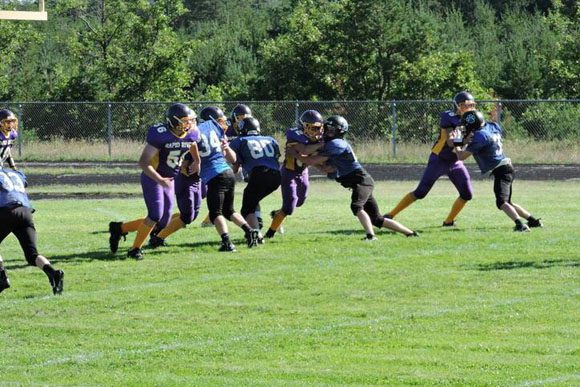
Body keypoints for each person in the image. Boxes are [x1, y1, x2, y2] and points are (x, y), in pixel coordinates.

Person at [292, 115, 419, 240]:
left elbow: (313, 159)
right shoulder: (331, 143)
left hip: (362, 181)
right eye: (327, 128)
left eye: (332, 129)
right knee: (377, 219)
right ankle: (410, 233)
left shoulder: (337, 144)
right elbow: (325, 168)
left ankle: (370, 236)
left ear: (340, 131)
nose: (328, 131)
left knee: (356, 206)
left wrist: (297, 155)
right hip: (359, 182)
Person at [108, 103, 201, 259]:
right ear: (173, 121)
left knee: (162, 222)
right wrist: (159, 179)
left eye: (190, 120)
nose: (188, 124)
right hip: (153, 177)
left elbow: (192, 144)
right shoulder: (160, 134)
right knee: (155, 215)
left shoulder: (191, 133)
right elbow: (143, 162)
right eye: (184, 121)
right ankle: (135, 249)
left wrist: (197, 161)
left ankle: (119, 228)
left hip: (169, 179)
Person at [385, 91, 476, 226]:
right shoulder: (448, 116)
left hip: (454, 161)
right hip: (439, 159)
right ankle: (389, 215)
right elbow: (451, 142)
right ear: (457, 106)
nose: (468, 109)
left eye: (471, 105)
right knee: (420, 193)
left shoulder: (473, 119)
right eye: (465, 105)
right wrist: (466, 140)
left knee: (467, 194)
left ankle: (449, 221)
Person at [453, 110, 543, 231]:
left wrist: (457, 141)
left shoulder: (480, 136)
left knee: (501, 203)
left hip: (501, 170)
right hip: (507, 167)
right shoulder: (492, 126)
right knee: (508, 203)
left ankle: (520, 225)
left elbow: (461, 156)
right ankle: (533, 221)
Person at [195, 106, 260, 252]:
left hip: (214, 176)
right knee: (229, 210)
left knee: (215, 213)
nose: (223, 124)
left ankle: (227, 243)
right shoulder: (217, 132)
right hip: (228, 172)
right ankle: (250, 232)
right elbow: (233, 158)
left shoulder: (196, 132)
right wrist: (225, 147)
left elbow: (192, 158)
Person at [0, 168, 64, 295]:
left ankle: (2, 278)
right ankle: (53, 273)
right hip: (25, 211)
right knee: (32, 255)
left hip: (6, 211)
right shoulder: (15, 173)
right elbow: (24, 183)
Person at [265, 110, 325, 239]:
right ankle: (269, 234)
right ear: (305, 126)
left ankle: (277, 214)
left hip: (303, 172)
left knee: (300, 201)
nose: (317, 131)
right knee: (289, 207)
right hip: (289, 173)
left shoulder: (319, 138)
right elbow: (304, 149)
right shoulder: (295, 134)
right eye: (314, 128)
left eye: (319, 128)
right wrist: (321, 145)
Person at [229, 117, 281, 242]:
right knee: (253, 199)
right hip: (276, 176)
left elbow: (235, 167)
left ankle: (257, 235)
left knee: (247, 209)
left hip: (259, 174)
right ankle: (258, 222)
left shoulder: (239, 141)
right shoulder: (271, 140)